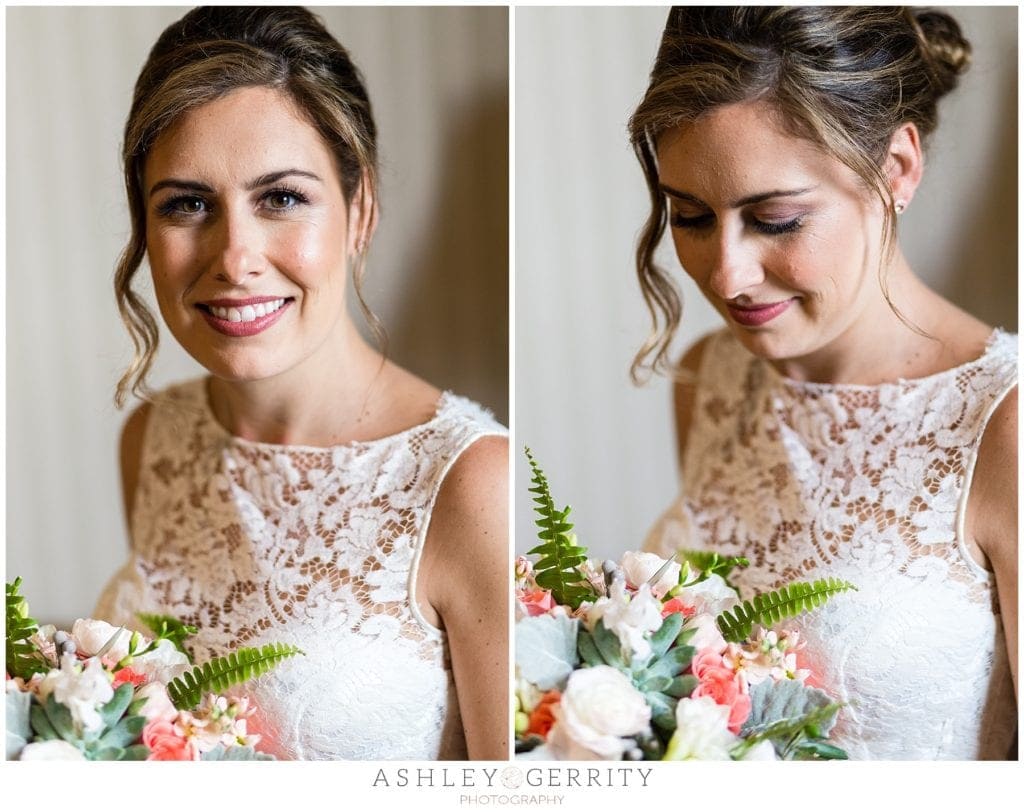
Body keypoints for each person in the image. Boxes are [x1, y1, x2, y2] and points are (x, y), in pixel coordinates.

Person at [94, 6, 508, 760]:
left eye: (280, 198)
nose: (235, 257)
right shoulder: (153, 440)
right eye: (187, 204)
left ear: (361, 210)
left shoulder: (473, 482)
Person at [632, 7, 1016, 759]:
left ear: (897, 169)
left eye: (775, 219)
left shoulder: (1005, 422)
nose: (726, 275)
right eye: (691, 216)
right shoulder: (714, 377)